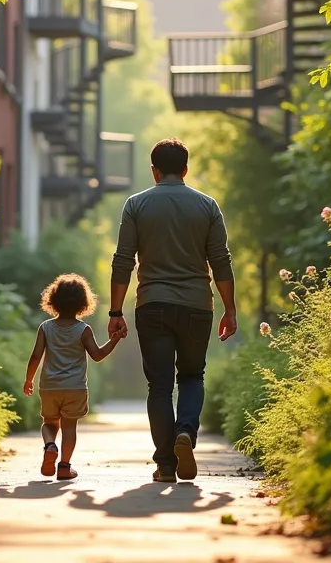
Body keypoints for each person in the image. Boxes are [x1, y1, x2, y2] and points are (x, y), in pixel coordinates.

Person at [107, 138, 237, 483]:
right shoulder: (207, 206)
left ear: (153, 170)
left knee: (159, 387)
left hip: (152, 305)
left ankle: (166, 465)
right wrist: (230, 309)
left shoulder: (136, 205)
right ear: (185, 169)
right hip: (197, 305)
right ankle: (186, 434)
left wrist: (115, 312)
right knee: (193, 376)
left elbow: (123, 262)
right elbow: (221, 262)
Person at [23, 273, 123, 481]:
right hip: (75, 387)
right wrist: (113, 341)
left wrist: (29, 379)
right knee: (69, 427)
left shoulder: (45, 328)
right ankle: (64, 467)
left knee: (49, 423)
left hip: (49, 386)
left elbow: (35, 356)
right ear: (82, 303)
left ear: (53, 300)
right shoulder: (83, 330)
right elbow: (97, 355)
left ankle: (50, 445)